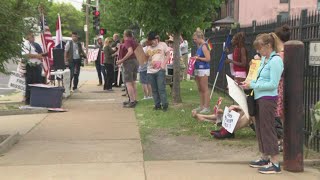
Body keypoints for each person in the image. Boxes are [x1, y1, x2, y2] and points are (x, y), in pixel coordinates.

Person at [240, 33, 283, 174]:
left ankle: (275, 162)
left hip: (268, 98)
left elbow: (272, 84)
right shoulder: (265, 59)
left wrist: (253, 85)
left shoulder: (276, 61)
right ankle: (265, 156)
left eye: (260, 48)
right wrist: (248, 83)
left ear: (268, 46)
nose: (258, 51)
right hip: (259, 97)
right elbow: (259, 79)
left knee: (267, 129)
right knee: (260, 128)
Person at [145, 32, 170, 111]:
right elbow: (145, 59)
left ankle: (165, 104)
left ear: (157, 39)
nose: (153, 43)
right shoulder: (147, 47)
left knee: (161, 88)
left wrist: (163, 64)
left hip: (160, 70)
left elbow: (168, 54)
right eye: (151, 42)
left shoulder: (162, 45)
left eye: (154, 41)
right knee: (154, 89)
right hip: (150, 70)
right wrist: (147, 59)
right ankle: (157, 104)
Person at [21, 32, 47, 105]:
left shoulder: (31, 44)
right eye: (32, 36)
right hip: (30, 66)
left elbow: (35, 54)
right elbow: (25, 55)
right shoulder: (25, 44)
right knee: (30, 82)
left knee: (36, 82)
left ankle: (35, 99)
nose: (33, 38)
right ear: (28, 36)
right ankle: (28, 99)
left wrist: (41, 55)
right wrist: (37, 56)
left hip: (36, 65)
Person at [116, 30, 139, 108]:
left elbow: (130, 51)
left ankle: (132, 101)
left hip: (129, 62)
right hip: (135, 61)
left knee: (128, 82)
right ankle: (134, 99)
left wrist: (121, 60)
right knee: (133, 82)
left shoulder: (127, 41)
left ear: (125, 35)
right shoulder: (134, 42)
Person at [192, 30, 211, 114]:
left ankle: (206, 107)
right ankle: (201, 105)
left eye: (195, 39)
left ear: (200, 38)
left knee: (205, 88)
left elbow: (208, 59)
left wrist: (198, 58)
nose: (194, 41)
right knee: (200, 88)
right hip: (198, 68)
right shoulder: (199, 46)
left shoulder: (204, 46)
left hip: (204, 69)